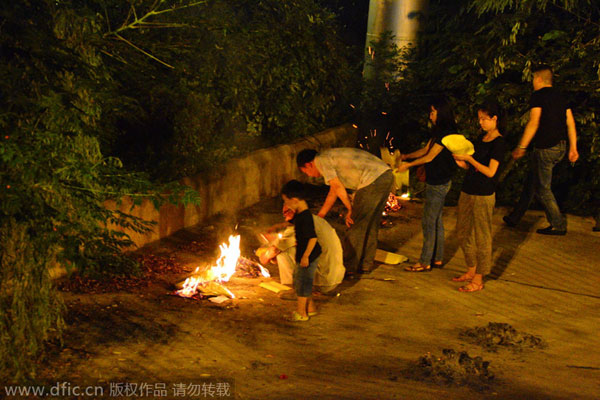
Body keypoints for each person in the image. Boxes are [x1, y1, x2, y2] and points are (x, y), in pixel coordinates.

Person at [503, 64, 579, 235]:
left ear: (538, 79)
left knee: (543, 188)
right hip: (560, 146)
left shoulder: (538, 96)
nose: (532, 83)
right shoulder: (561, 97)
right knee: (532, 180)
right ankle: (515, 217)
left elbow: (533, 122)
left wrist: (521, 146)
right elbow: (570, 122)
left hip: (545, 147)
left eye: (533, 79)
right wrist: (573, 147)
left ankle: (558, 225)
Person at [296, 148, 393, 277]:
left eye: (306, 172)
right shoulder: (329, 156)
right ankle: (365, 264)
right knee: (370, 224)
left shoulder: (321, 160)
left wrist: (350, 209)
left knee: (355, 224)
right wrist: (320, 216)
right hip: (385, 176)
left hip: (372, 180)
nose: (309, 175)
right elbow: (333, 191)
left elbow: (337, 187)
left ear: (309, 164)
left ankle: (349, 267)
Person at [451, 102, 507, 292]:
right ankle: (471, 269)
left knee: (482, 236)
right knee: (462, 231)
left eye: (484, 118)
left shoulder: (499, 143)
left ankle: (479, 278)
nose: (481, 122)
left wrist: (470, 159)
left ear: (494, 119)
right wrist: (461, 161)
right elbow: (470, 167)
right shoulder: (480, 138)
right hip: (468, 189)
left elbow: (491, 172)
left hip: (484, 193)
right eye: (480, 118)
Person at [397, 98, 457, 271]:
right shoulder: (441, 132)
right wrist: (407, 156)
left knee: (428, 222)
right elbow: (425, 150)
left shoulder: (446, 133)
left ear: (441, 113)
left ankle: (424, 261)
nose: (430, 115)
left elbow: (430, 156)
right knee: (436, 220)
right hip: (439, 180)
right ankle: (437, 258)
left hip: (438, 182)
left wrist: (407, 165)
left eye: (433, 112)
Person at [259, 205, 345, 295]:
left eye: (285, 214)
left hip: (322, 282)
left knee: (283, 252)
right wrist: (278, 227)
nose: (285, 218)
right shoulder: (314, 219)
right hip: (334, 280)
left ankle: (297, 291)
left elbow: (274, 250)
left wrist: (264, 256)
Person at [281, 180, 321, 321]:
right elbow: (293, 222)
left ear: (295, 200)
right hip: (304, 253)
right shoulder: (300, 213)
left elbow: (313, 238)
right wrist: (276, 227)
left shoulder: (306, 217)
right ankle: (311, 309)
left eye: (286, 201)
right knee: (302, 280)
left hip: (308, 254)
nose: (286, 205)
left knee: (302, 283)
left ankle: (301, 313)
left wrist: (305, 256)